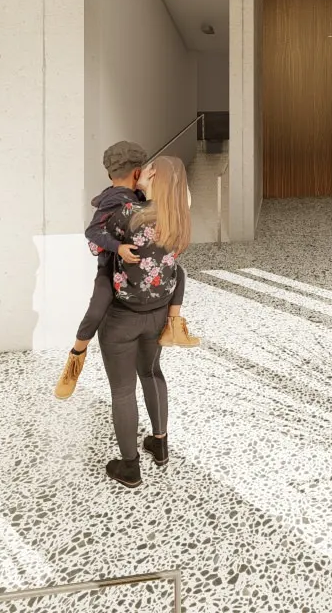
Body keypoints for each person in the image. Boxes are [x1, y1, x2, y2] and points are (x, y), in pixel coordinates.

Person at [98, 154, 193, 487]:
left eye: (148, 169)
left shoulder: (128, 215)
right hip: (157, 315)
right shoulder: (178, 219)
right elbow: (177, 270)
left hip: (122, 318)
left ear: (154, 176)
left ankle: (130, 467)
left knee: (122, 392)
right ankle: (160, 444)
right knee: (152, 372)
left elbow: (97, 242)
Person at [55, 140, 149, 401]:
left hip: (136, 270)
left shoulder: (138, 197)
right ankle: (75, 358)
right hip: (110, 268)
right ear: (138, 172)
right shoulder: (116, 199)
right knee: (97, 307)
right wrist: (118, 248)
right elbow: (92, 231)